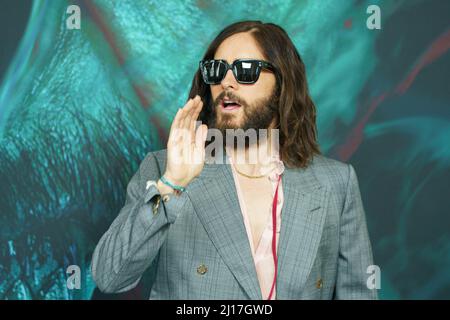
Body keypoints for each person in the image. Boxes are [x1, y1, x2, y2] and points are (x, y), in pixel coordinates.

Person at [91, 20, 377, 300]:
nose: (227, 82)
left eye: (246, 70)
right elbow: (110, 277)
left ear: (283, 82)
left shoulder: (336, 183)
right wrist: (170, 185)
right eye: (216, 71)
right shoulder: (163, 168)